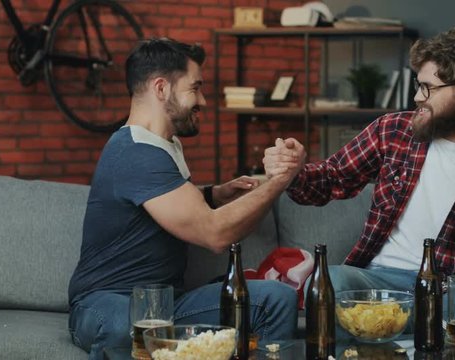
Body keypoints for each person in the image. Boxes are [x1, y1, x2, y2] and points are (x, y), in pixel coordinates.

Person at [264, 25, 455, 331]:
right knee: (335, 280)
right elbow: (329, 179)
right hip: (382, 280)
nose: (417, 97)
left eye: (427, 88)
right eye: (418, 86)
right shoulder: (393, 131)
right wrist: (293, 170)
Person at [68, 38, 300, 359]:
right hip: (106, 301)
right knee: (128, 327)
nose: (203, 100)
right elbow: (214, 234)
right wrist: (279, 181)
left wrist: (213, 194)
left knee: (276, 298)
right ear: (161, 88)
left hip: (168, 304)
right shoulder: (135, 151)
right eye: (195, 88)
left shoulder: (166, 145)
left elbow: (162, 202)